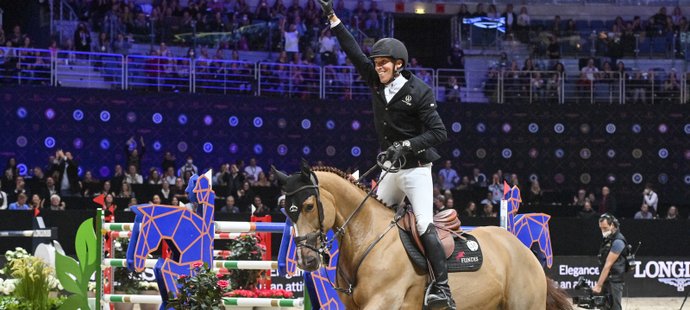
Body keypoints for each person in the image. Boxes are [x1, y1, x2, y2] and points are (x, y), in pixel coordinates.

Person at [319, 0, 453, 307]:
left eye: (384, 65)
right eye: (377, 64)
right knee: (367, 220)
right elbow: (354, 53)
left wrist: (405, 145)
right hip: (392, 171)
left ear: (399, 65)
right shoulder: (377, 82)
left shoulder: (419, 92)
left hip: (417, 170)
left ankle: (441, 287)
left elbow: (439, 133)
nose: (378, 69)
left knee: (422, 224)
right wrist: (334, 20)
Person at [593, 214, 629, 310]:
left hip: (614, 281)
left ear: (612, 225)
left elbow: (608, 265)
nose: (603, 231)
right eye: (601, 228)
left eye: (605, 228)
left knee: (614, 307)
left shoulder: (618, 241)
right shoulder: (608, 239)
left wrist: (598, 285)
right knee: (604, 306)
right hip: (607, 279)